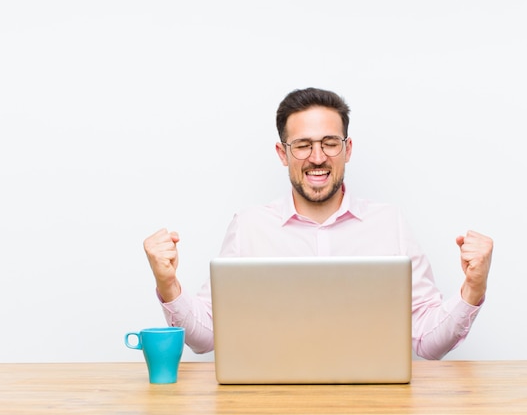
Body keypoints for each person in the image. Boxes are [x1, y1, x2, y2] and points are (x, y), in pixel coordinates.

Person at [143, 87, 493, 360]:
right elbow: (207, 338)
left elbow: (427, 342)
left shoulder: (390, 223)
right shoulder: (248, 226)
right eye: (302, 145)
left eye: (329, 143)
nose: (317, 157)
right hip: (267, 402)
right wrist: (168, 282)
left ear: (347, 149)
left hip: (373, 402)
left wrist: (472, 289)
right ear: (283, 154)